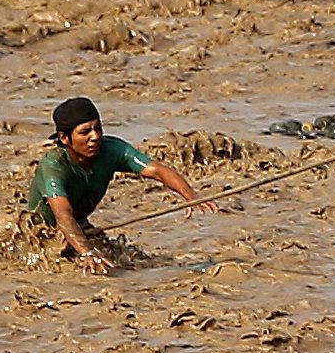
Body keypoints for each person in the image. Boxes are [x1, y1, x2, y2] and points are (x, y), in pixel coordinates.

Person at [27, 97, 220, 273]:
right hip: (39, 233)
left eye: (98, 128)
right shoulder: (53, 166)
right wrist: (86, 253)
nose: (95, 137)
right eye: (85, 132)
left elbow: (156, 170)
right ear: (64, 138)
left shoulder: (112, 149)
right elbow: (63, 215)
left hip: (79, 226)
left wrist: (190, 196)